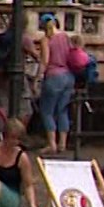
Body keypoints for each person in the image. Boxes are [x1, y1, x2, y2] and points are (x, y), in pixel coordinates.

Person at [33, 13, 78, 156]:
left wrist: (38, 78)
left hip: (53, 77)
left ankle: (52, 144)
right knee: (62, 110)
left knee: (47, 111)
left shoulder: (46, 40)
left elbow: (45, 61)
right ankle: (62, 144)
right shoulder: (65, 37)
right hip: (68, 77)